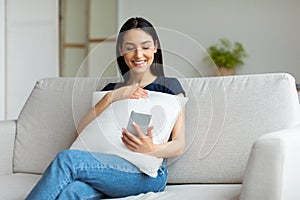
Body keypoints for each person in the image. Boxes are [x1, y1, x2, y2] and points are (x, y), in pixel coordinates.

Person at [26, 17, 186, 200]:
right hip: (107, 169)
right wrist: (112, 97)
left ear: (155, 46)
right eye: (130, 48)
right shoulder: (111, 90)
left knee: (67, 159)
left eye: (145, 46)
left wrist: (151, 148)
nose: (138, 54)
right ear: (121, 51)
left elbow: (179, 144)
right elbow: (79, 135)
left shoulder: (169, 86)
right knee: (71, 192)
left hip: (147, 174)